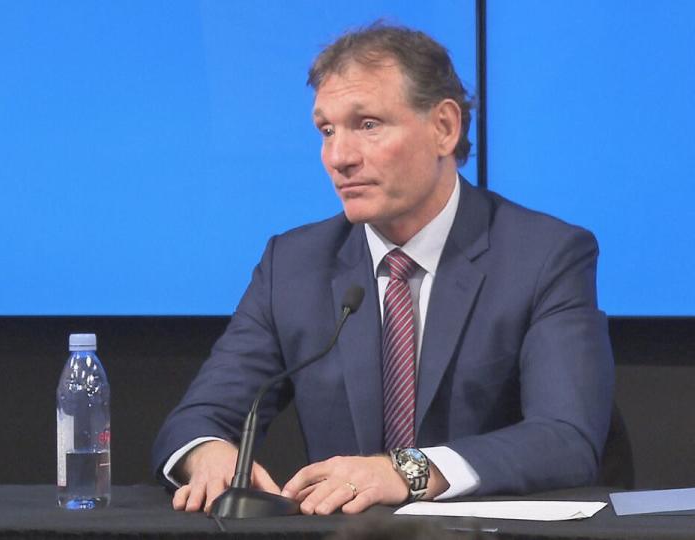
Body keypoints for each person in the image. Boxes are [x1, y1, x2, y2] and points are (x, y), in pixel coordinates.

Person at [152, 22, 614, 515]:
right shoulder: (293, 264)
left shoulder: (544, 255)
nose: (339, 157)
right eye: (326, 130)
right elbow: (198, 419)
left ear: (444, 128)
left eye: (367, 124)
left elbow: (566, 438)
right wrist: (208, 454)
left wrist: (406, 470)